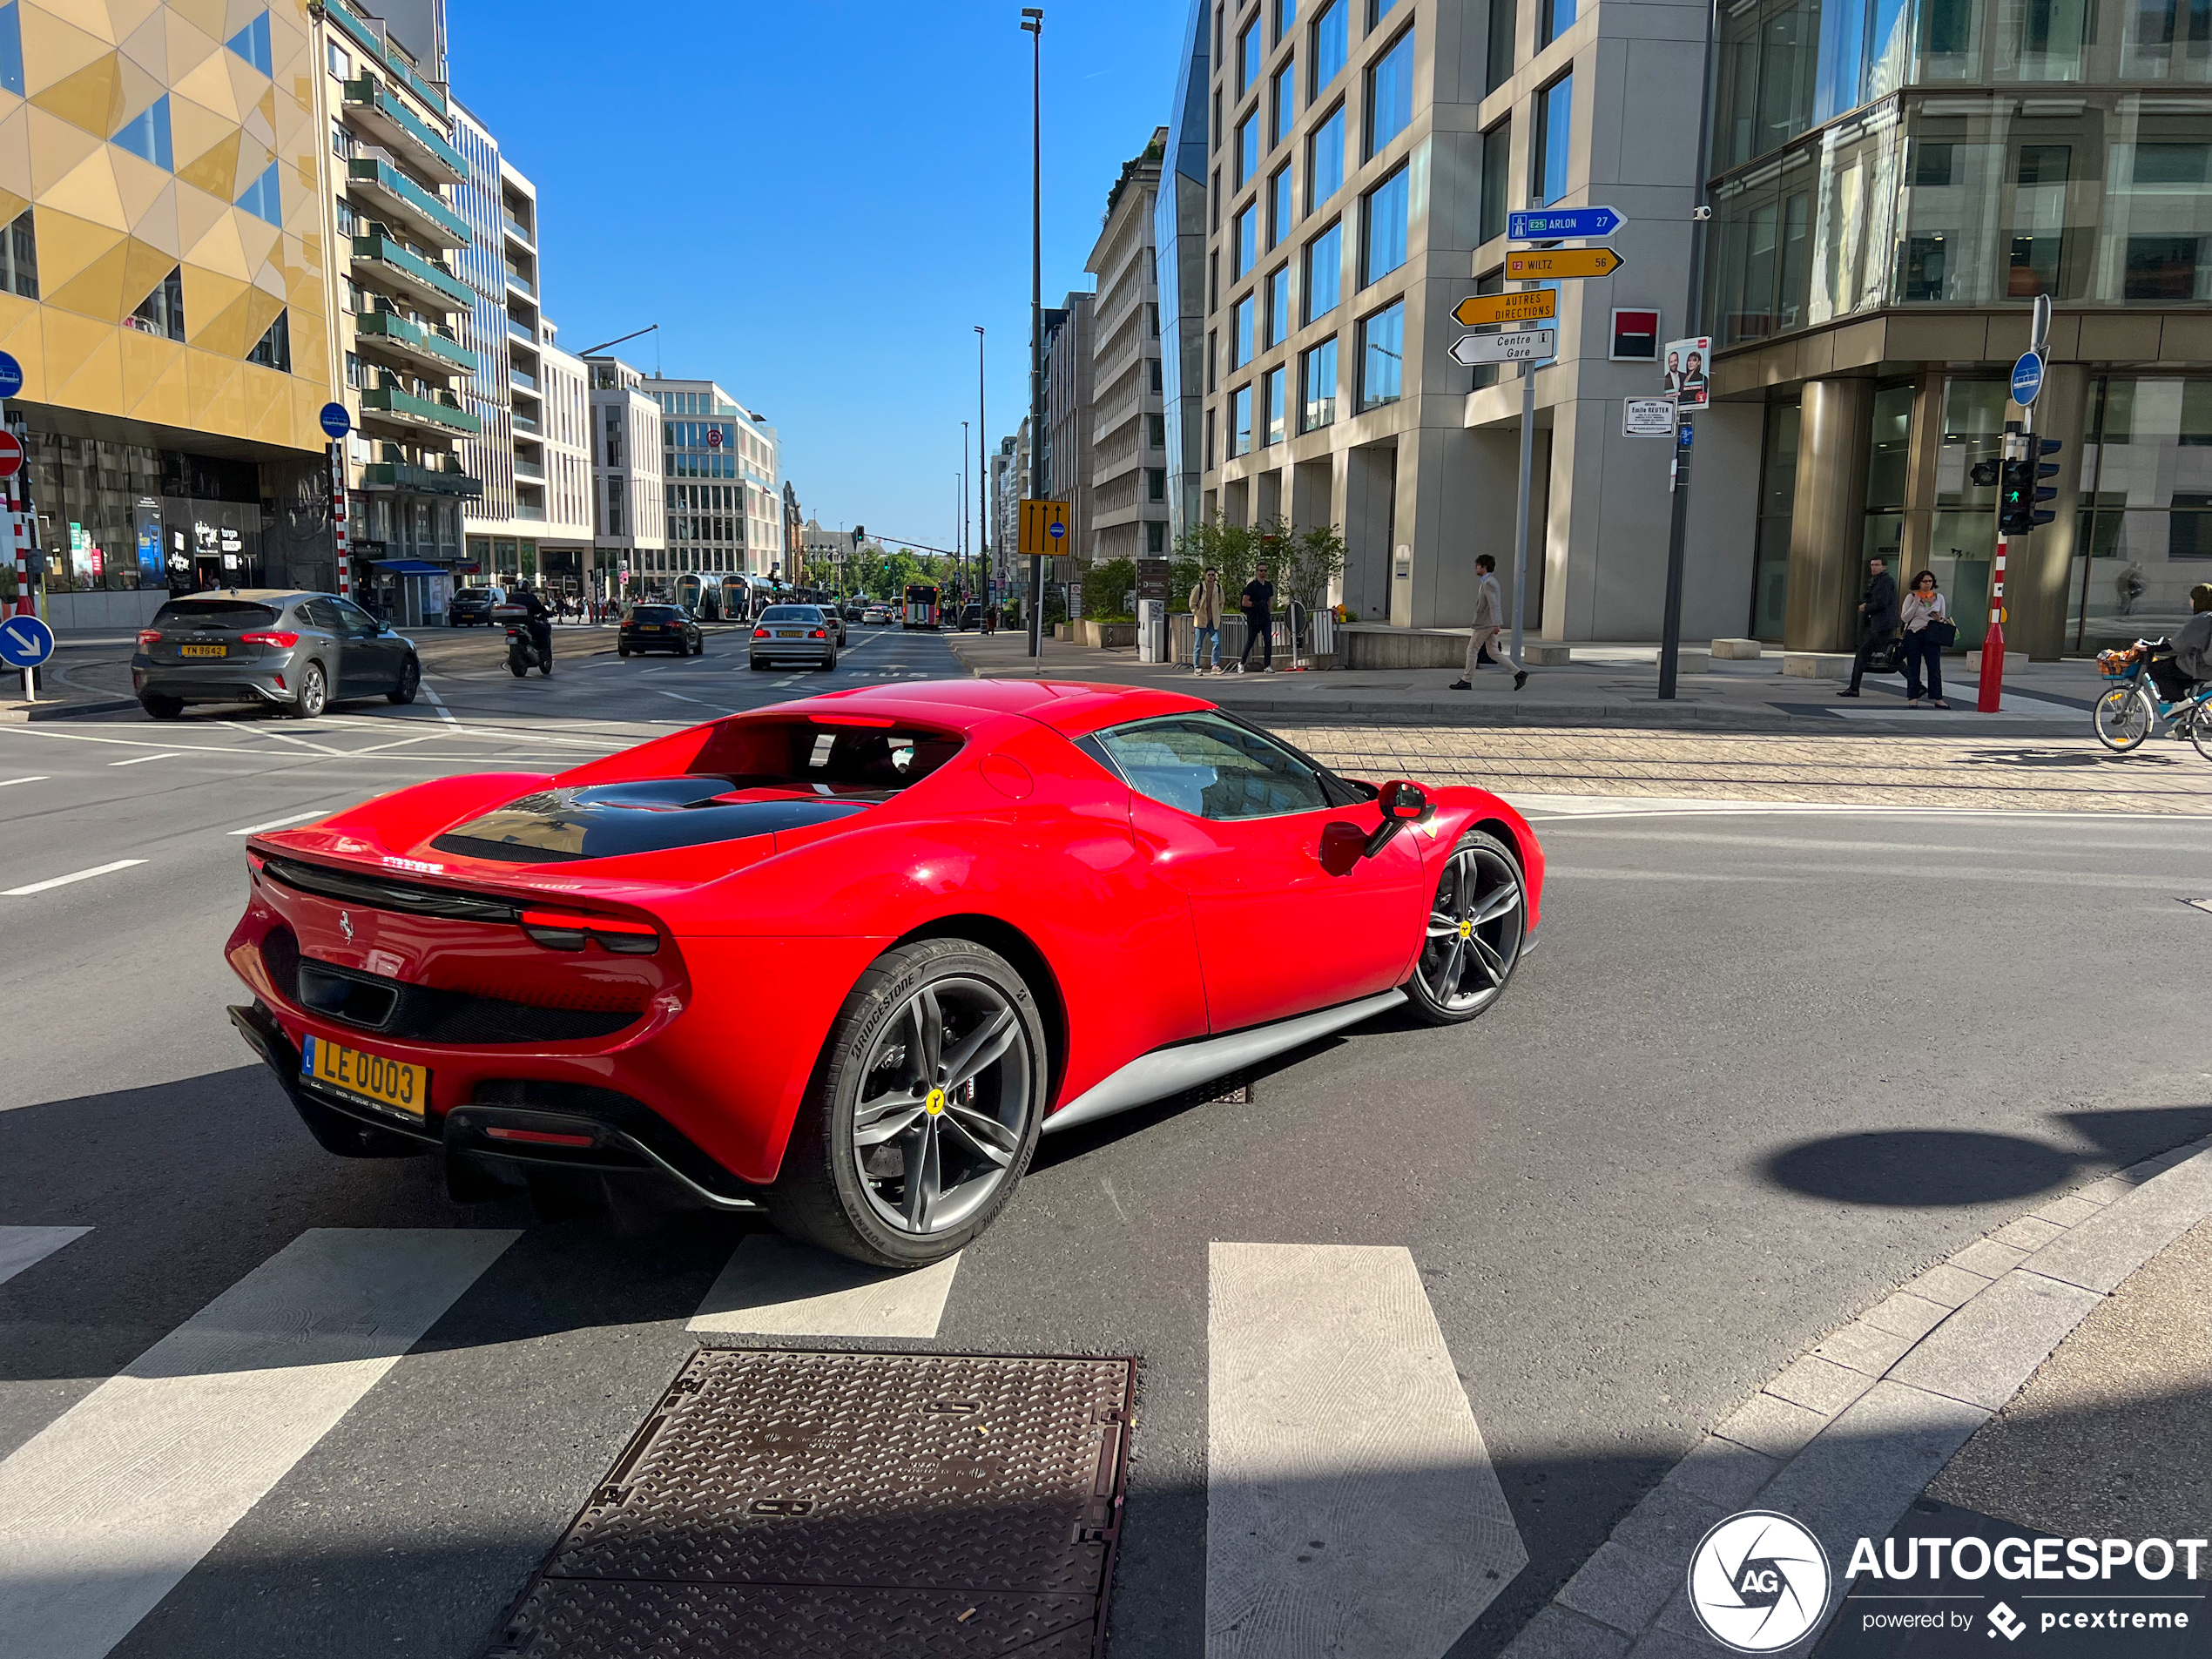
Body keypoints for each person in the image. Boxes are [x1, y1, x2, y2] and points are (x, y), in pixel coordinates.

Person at [1449, 554, 1526, 691]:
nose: (1475, 568)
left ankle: (1467, 680)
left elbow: (1493, 604)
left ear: (1484, 567)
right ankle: (1518, 673)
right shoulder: (1488, 581)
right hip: (1490, 623)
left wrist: (1496, 623)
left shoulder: (1489, 583)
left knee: (1472, 650)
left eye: (1477, 566)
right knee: (1493, 651)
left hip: (1486, 623)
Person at [1838, 556, 1898, 698]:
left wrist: (1867, 607)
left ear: (1884, 567)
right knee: (1887, 657)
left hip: (1882, 625)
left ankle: (1854, 688)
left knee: (1872, 655)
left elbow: (1882, 602)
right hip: (1877, 624)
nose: (1874, 567)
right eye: (1872, 565)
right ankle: (1854, 688)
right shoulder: (1876, 581)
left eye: (1877, 565)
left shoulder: (1886, 581)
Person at [2149, 583, 2212, 704]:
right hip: (2207, 666)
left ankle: (2179, 706)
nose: (2190, 601)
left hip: (2201, 667)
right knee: (2178, 677)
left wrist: (2151, 648)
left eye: (2192, 598)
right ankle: (2190, 708)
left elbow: (2179, 646)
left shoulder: (2202, 619)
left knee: (2156, 669)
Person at [1898, 570, 1950, 709]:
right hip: (1914, 633)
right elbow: (1904, 617)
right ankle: (1913, 697)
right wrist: (1916, 603)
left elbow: (1943, 618)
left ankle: (1938, 698)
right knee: (1913, 666)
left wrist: (1939, 619)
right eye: (1925, 581)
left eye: (1930, 581)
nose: (1928, 584)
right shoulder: (1911, 597)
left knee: (1934, 667)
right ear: (1919, 583)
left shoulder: (1938, 597)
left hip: (1932, 635)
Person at [1232, 563, 1275, 673]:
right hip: (1254, 617)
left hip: (1265, 617)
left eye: (1265, 570)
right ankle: (1241, 663)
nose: (1263, 573)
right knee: (1251, 640)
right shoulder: (1252, 586)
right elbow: (1244, 602)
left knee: (1268, 641)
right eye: (1261, 571)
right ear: (1257, 572)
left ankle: (1267, 665)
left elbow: (1270, 600)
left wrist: (1269, 612)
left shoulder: (1268, 586)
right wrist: (1256, 604)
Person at [1190, 567, 1225, 675]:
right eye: (1209, 575)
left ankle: (1214, 665)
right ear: (1205, 576)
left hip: (1213, 621)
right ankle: (1196, 667)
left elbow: (1221, 602)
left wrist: (1218, 614)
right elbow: (1192, 603)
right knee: (1198, 645)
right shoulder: (1199, 588)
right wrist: (1197, 613)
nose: (1211, 577)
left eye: (1213, 575)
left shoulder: (1218, 588)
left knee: (1217, 642)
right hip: (1201, 621)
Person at [511, 580, 553, 667]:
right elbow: (539, 608)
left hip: (512, 624)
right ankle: (543, 654)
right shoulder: (530, 597)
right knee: (545, 630)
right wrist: (548, 613)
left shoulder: (511, 597)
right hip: (528, 623)